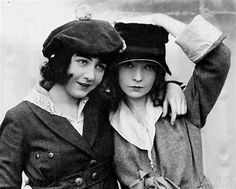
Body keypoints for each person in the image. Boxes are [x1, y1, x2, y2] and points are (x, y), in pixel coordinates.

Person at [0, 16, 185, 188]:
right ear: (61, 61)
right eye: (82, 62)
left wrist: (170, 85)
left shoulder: (103, 104)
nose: (90, 76)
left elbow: (138, 82)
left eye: (100, 66)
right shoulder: (21, 118)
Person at [106, 14, 231, 189]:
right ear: (115, 69)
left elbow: (219, 59)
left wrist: (161, 20)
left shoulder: (185, 105)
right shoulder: (103, 117)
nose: (138, 77)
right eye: (129, 65)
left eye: (148, 67)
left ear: (158, 71)